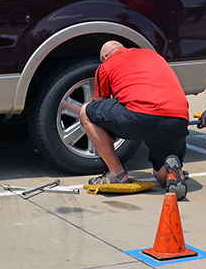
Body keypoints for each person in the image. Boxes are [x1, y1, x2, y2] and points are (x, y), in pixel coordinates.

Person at [79, 41, 189, 199]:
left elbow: (101, 104)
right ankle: (170, 169)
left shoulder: (105, 66)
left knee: (87, 112)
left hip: (141, 116)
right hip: (178, 120)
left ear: (104, 57)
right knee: (160, 176)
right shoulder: (151, 54)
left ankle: (116, 174)